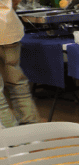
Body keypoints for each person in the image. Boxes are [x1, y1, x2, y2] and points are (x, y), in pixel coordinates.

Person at [0, 0, 41, 128]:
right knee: (17, 83)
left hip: (8, 30)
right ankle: (32, 131)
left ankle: (12, 139)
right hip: (9, 30)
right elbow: (15, 2)